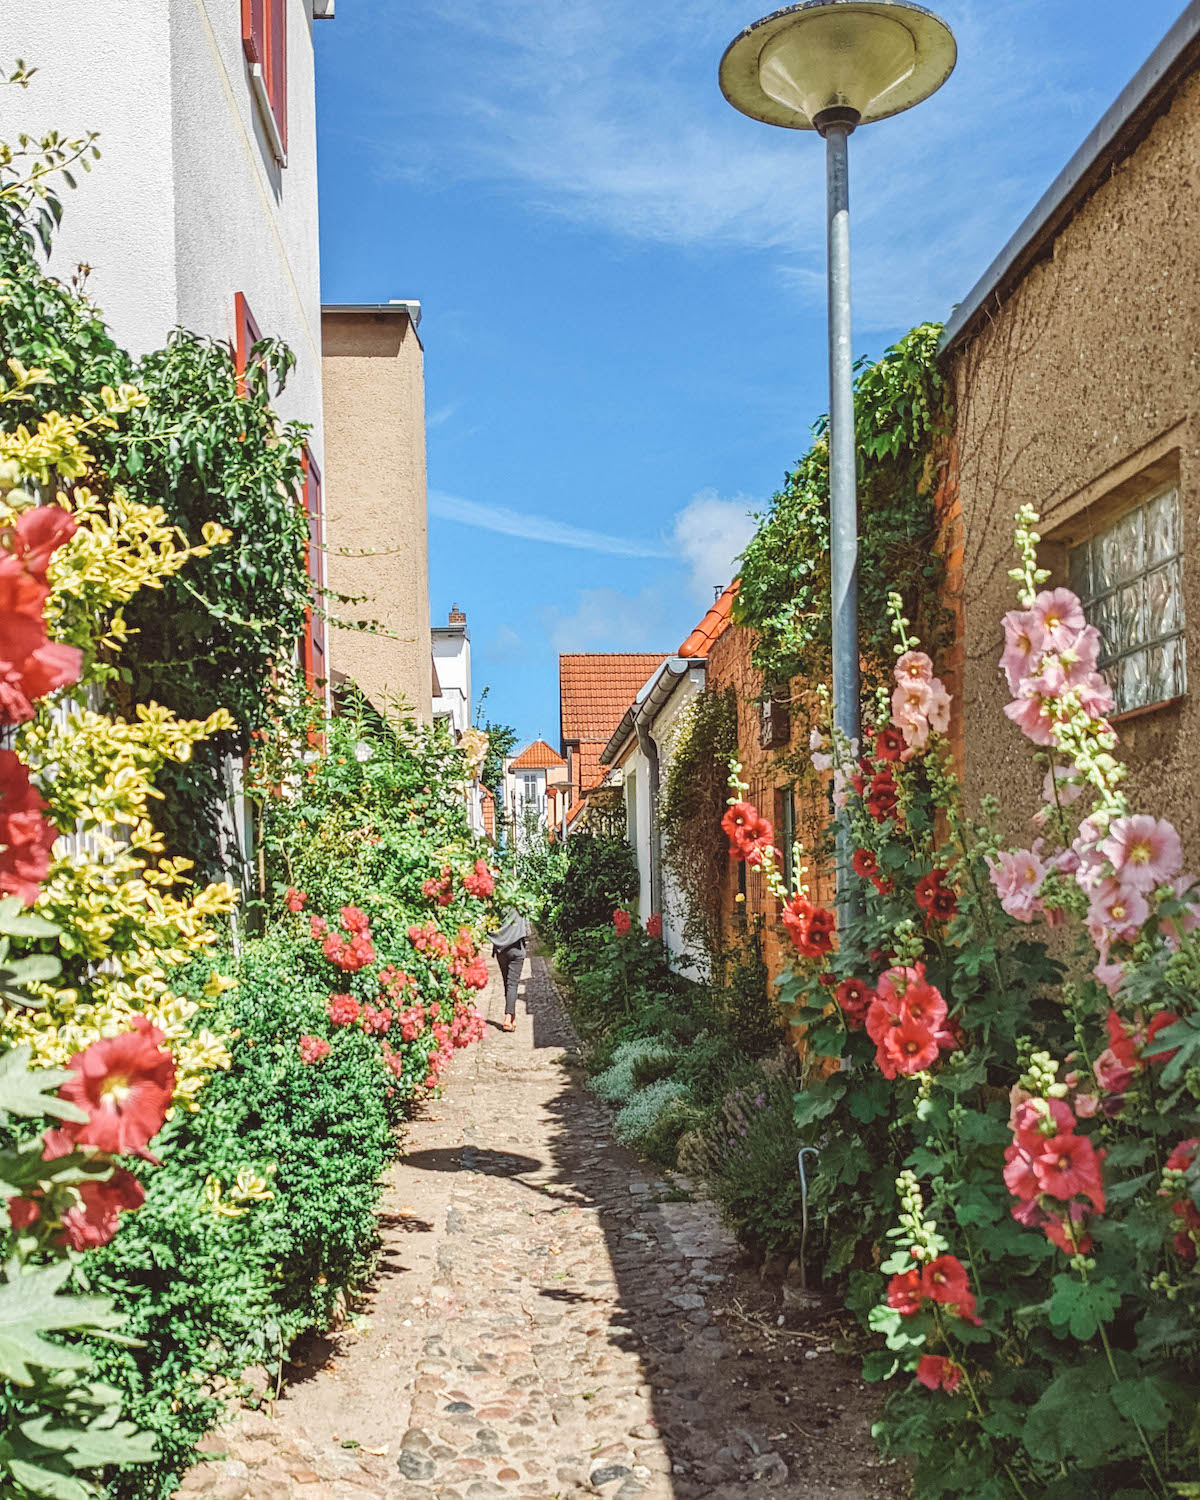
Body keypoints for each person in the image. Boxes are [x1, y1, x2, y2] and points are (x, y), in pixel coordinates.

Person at [488, 908, 531, 1032]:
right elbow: (528, 930)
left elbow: (490, 926)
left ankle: (512, 1017)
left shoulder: (499, 907)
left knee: (507, 983)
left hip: (501, 950)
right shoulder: (520, 907)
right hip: (517, 949)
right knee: (512, 983)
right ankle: (508, 1017)